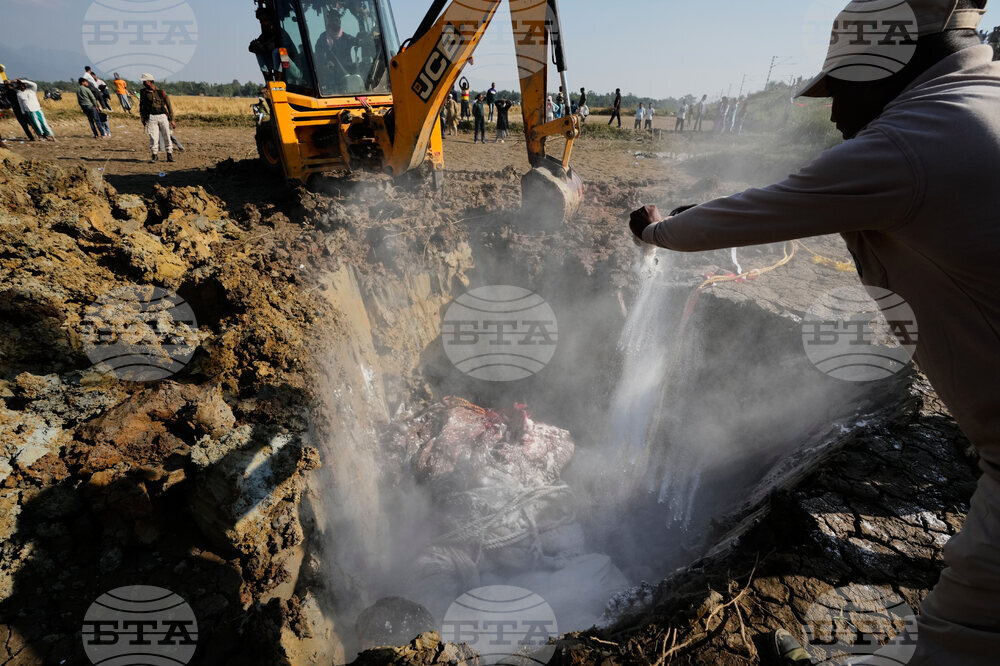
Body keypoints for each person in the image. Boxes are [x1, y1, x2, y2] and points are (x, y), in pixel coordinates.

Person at [629, 2, 999, 664]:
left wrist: (654, 230)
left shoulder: (909, 143)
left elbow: (755, 213)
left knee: (959, 638)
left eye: (843, 86)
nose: (833, 113)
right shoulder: (977, 106)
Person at [314, 11, 358, 90]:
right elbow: (318, 54)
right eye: (332, 20)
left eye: (336, 20)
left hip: (348, 76)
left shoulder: (347, 38)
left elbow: (358, 42)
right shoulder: (323, 38)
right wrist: (326, 62)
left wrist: (365, 39)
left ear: (340, 22)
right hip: (332, 79)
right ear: (328, 22)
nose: (334, 22)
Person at [138, 73, 175, 162]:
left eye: (145, 81)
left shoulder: (161, 92)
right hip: (151, 117)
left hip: (162, 116)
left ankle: (169, 155)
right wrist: (142, 117)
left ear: (150, 82)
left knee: (167, 135)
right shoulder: (143, 92)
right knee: (153, 137)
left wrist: (172, 119)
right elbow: (142, 106)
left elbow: (169, 106)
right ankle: (154, 155)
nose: (143, 83)